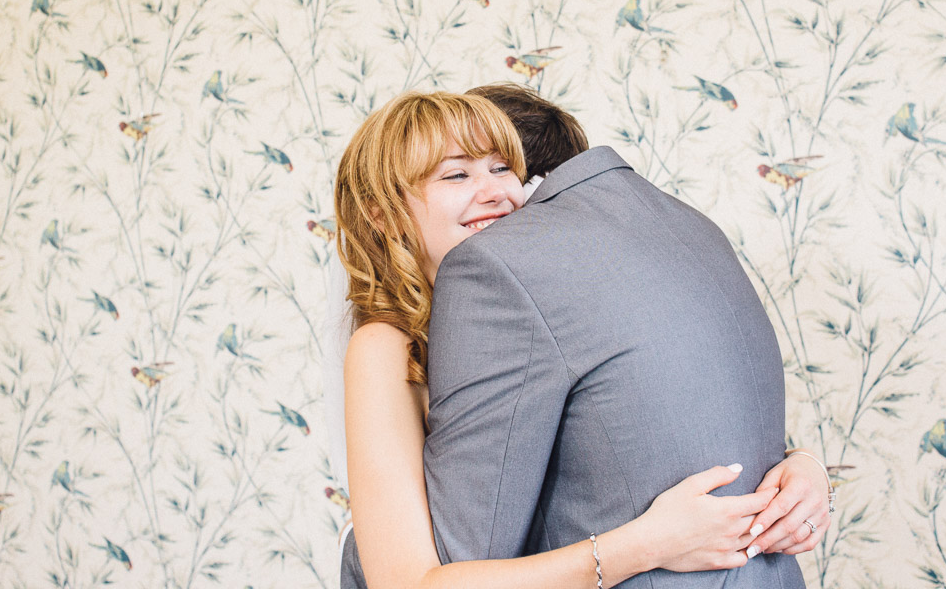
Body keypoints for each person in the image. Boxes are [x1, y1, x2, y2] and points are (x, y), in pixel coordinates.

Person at [331, 89, 832, 589]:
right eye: (457, 174)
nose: (496, 192)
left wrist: (800, 466)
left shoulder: (529, 313)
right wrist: (647, 543)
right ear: (383, 214)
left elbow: (614, 448)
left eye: (503, 169)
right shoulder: (385, 347)